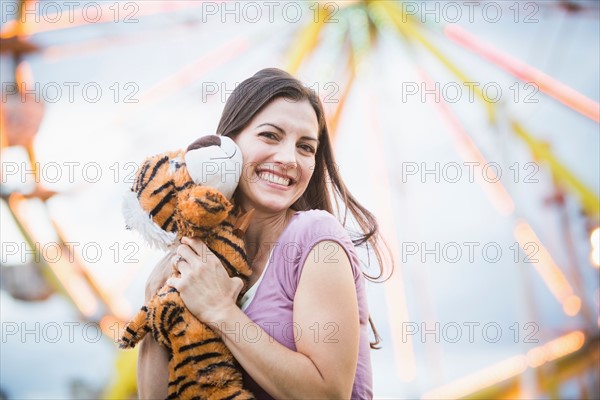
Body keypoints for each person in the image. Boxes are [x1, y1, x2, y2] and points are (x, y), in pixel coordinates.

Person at [137, 68, 388, 399]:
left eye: (305, 147)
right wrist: (156, 301)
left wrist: (220, 311)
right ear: (228, 144)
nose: (287, 159)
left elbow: (327, 395)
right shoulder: (200, 262)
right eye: (270, 136)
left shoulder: (316, 239)